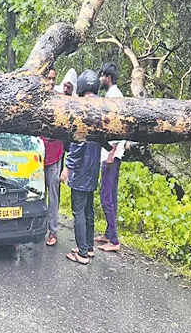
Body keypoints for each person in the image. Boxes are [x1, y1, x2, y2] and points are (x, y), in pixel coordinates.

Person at [62, 69, 102, 265]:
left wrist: (68, 168)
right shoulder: (103, 108)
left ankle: (82, 254)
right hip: (94, 167)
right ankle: (89, 247)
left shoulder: (83, 109)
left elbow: (77, 143)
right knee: (88, 209)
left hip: (81, 168)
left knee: (78, 210)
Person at [42, 68, 76, 246]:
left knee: (53, 196)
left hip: (55, 154)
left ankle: (52, 231)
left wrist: (67, 164)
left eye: (53, 78)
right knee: (36, 195)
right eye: (48, 78)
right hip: (37, 154)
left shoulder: (60, 100)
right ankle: (34, 228)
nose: (51, 82)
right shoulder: (36, 98)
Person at [97, 62, 125, 252]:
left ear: (108, 77)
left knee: (106, 195)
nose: (99, 79)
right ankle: (108, 233)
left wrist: (112, 151)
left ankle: (114, 240)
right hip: (113, 152)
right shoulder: (114, 95)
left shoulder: (114, 96)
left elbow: (116, 125)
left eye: (101, 76)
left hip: (111, 154)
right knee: (111, 195)